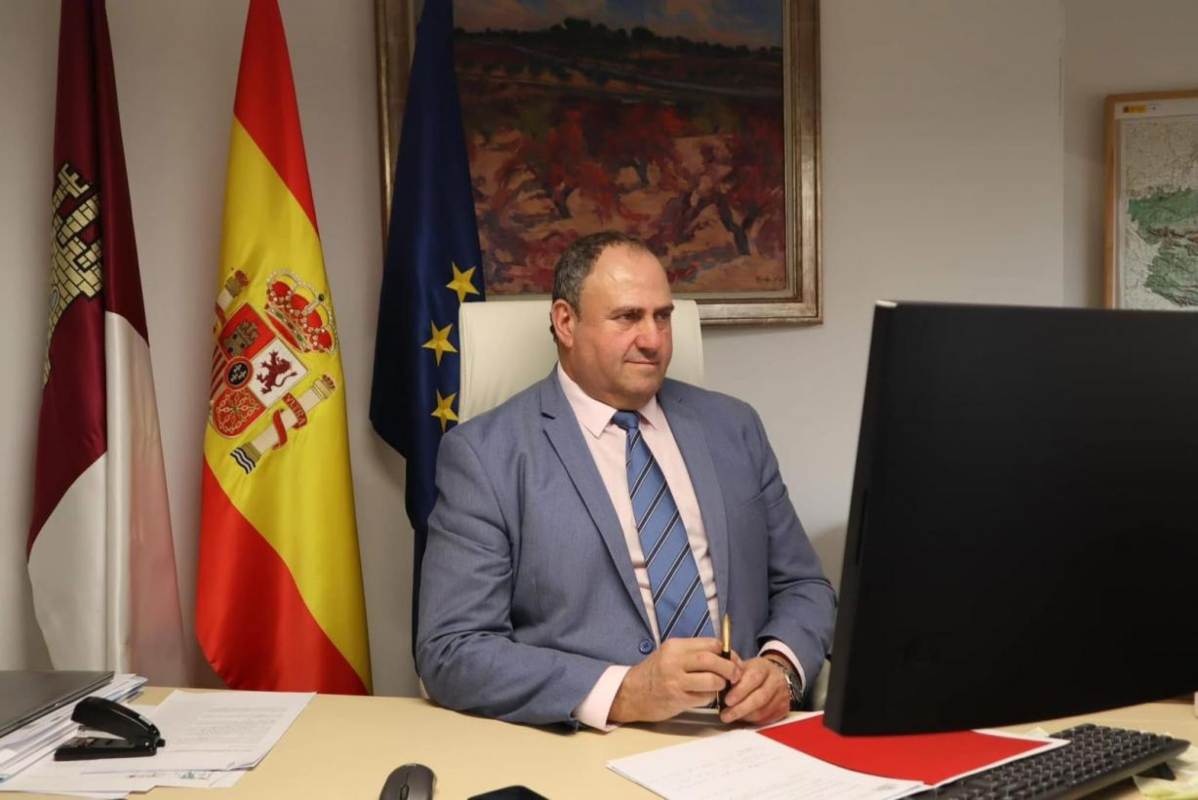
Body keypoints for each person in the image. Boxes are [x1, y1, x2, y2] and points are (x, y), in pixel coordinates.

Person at [416, 231, 835, 729]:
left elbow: (804, 584)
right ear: (565, 322)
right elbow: (452, 649)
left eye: (663, 317)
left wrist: (781, 668)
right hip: (592, 744)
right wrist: (621, 692)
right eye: (628, 317)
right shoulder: (487, 455)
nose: (653, 340)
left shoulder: (733, 427)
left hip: (745, 737)